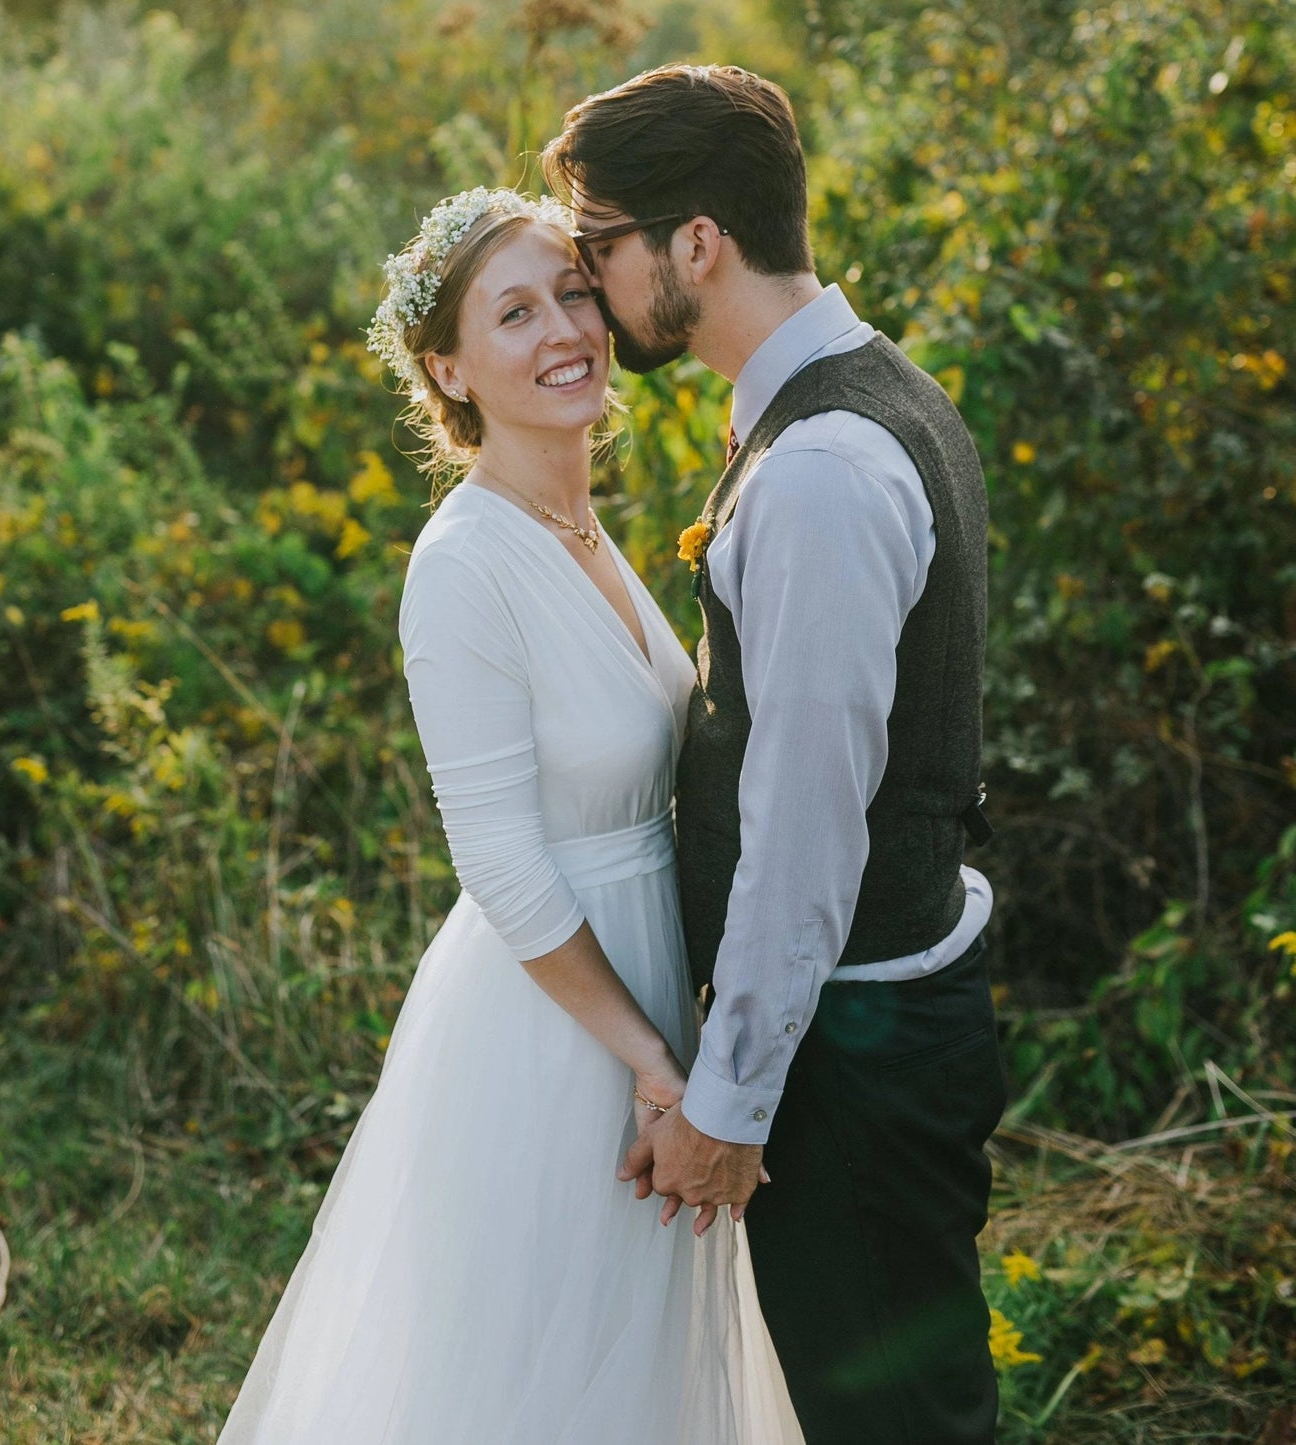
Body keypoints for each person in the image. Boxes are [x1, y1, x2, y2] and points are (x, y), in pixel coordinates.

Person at [215, 188, 803, 1444]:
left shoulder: (582, 525)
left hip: (651, 979)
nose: (566, 330)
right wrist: (650, 1060)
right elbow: (496, 859)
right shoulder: (464, 562)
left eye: (575, 294)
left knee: (642, 1360)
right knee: (534, 1365)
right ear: (449, 367)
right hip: (554, 1028)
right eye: (516, 311)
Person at [543, 64, 1008, 1445]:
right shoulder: (861, 401)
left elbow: (807, 819)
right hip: (876, 1007)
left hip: (855, 1049)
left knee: (899, 1424)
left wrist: (733, 1106)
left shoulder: (818, 470)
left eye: (595, 247)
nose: (585, 285)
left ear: (696, 243)